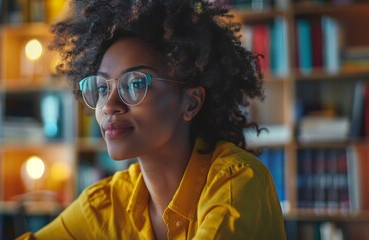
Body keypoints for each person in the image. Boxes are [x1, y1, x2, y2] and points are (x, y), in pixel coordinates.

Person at [18, 0, 286, 239]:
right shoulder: (106, 205)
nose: (109, 106)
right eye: (102, 88)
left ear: (190, 102)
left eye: (135, 84)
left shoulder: (237, 183)